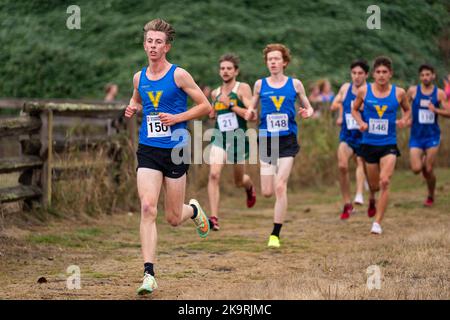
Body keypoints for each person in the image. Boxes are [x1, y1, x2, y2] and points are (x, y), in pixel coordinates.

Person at [124, 18, 212, 295]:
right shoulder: (139, 77)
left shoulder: (179, 75)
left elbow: (205, 106)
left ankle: (194, 210)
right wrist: (132, 108)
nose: (153, 46)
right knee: (148, 208)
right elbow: (137, 99)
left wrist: (177, 117)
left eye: (158, 42)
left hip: (176, 149)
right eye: (149, 41)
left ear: (167, 47)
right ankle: (149, 274)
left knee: (173, 218)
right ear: (144, 44)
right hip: (148, 148)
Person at [245, 43, 314, 248]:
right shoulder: (260, 85)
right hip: (267, 139)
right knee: (267, 191)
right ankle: (257, 191)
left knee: (280, 186)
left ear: (284, 62)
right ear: (267, 63)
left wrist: (306, 113)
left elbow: (309, 108)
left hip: (287, 140)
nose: (273, 62)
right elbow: (252, 107)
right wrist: (250, 113)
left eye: (277, 59)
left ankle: (275, 234)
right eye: (270, 59)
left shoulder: (295, 84)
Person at [351, 56, 411, 235]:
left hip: (388, 144)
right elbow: (354, 109)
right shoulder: (363, 91)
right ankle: (371, 196)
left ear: (390, 74)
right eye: (378, 72)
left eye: (385, 72)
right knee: (375, 185)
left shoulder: (399, 93)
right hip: (368, 143)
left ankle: (377, 222)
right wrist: (360, 122)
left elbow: (407, 110)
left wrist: (404, 120)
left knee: (385, 181)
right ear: (374, 75)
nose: (381, 75)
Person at [207, 54, 257, 231]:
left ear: (236, 71)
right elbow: (215, 114)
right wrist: (213, 112)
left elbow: (251, 115)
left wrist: (230, 106)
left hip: (239, 139)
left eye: (229, 68)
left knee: (238, 181)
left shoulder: (242, 88)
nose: (225, 71)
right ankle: (214, 218)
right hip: (220, 138)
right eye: (222, 68)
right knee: (214, 174)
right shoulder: (215, 92)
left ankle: (249, 187)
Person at [330, 59, 369, 219]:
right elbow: (334, 104)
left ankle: (361, 194)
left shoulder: (371, 90)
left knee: (361, 162)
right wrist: (340, 113)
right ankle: (347, 204)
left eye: (360, 73)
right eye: (354, 73)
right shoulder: (345, 88)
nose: (357, 76)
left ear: (366, 75)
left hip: (364, 135)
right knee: (342, 166)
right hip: (347, 135)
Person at [407, 64, 450, 206]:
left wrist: (435, 110)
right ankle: (423, 161)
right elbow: (404, 105)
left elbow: (449, 112)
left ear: (433, 76)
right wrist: (407, 118)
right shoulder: (413, 91)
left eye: (428, 75)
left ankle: (431, 195)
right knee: (416, 169)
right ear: (420, 77)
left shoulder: (439, 93)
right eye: (423, 75)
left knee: (429, 169)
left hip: (432, 136)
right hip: (416, 136)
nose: (425, 77)